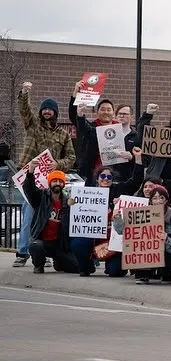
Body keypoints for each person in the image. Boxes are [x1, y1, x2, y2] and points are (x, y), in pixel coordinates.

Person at [15, 81, 76, 267]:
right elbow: (24, 110)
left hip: (51, 182)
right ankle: (22, 252)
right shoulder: (32, 125)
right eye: (44, 109)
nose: (47, 112)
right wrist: (24, 92)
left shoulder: (63, 135)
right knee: (28, 215)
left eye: (50, 110)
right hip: (30, 177)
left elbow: (72, 157)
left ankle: (45, 253)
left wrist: (58, 164)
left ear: (55, 113)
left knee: (47, 218)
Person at [69, 148, 146, 277]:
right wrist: (71, 204)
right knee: (78, 243)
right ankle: (86, 267)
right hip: (94, 240)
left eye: (109, 177)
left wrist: (138, 159)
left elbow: (136, 181)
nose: (106, 179)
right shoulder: (88, 194)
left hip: (113, 242)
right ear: (97, 179)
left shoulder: (119, 190)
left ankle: (115, 265)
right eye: (103, 176)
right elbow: (76, 213)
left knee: (115, 272)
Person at [114, 185, 171, 284]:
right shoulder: (142, 213)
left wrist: (167, 239)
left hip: (167, 251)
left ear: (166, 200)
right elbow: (122, 231)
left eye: (161, 198)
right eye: (154, 198)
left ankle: (165, 272)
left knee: (169, 255)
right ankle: (143, 273)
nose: (158, 201)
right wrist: (117, 219)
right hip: (147, 251)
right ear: (151, 201)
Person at [22, 164, 79, 274]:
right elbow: (29, 189)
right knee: (36, 246)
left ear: (64, 184)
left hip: (59, 244)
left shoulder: (67, 202)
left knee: (76, 267)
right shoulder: (40, 197)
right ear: (49, 183)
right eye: (54, 181)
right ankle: (39, 265)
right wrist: (30, 172)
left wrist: (71, 207)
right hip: (42, 241)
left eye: (60, 181)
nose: (57, 183)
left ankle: (59, 262)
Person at [68, 80, 116, 183]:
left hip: (112, 177)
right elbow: (74, 116)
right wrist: (75, 94)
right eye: (102, 109)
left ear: (113, 114)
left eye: (109, 110)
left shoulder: (119, 132)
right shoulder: (89, 128)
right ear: (97, 113)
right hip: (89, 176)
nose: (106, 112)